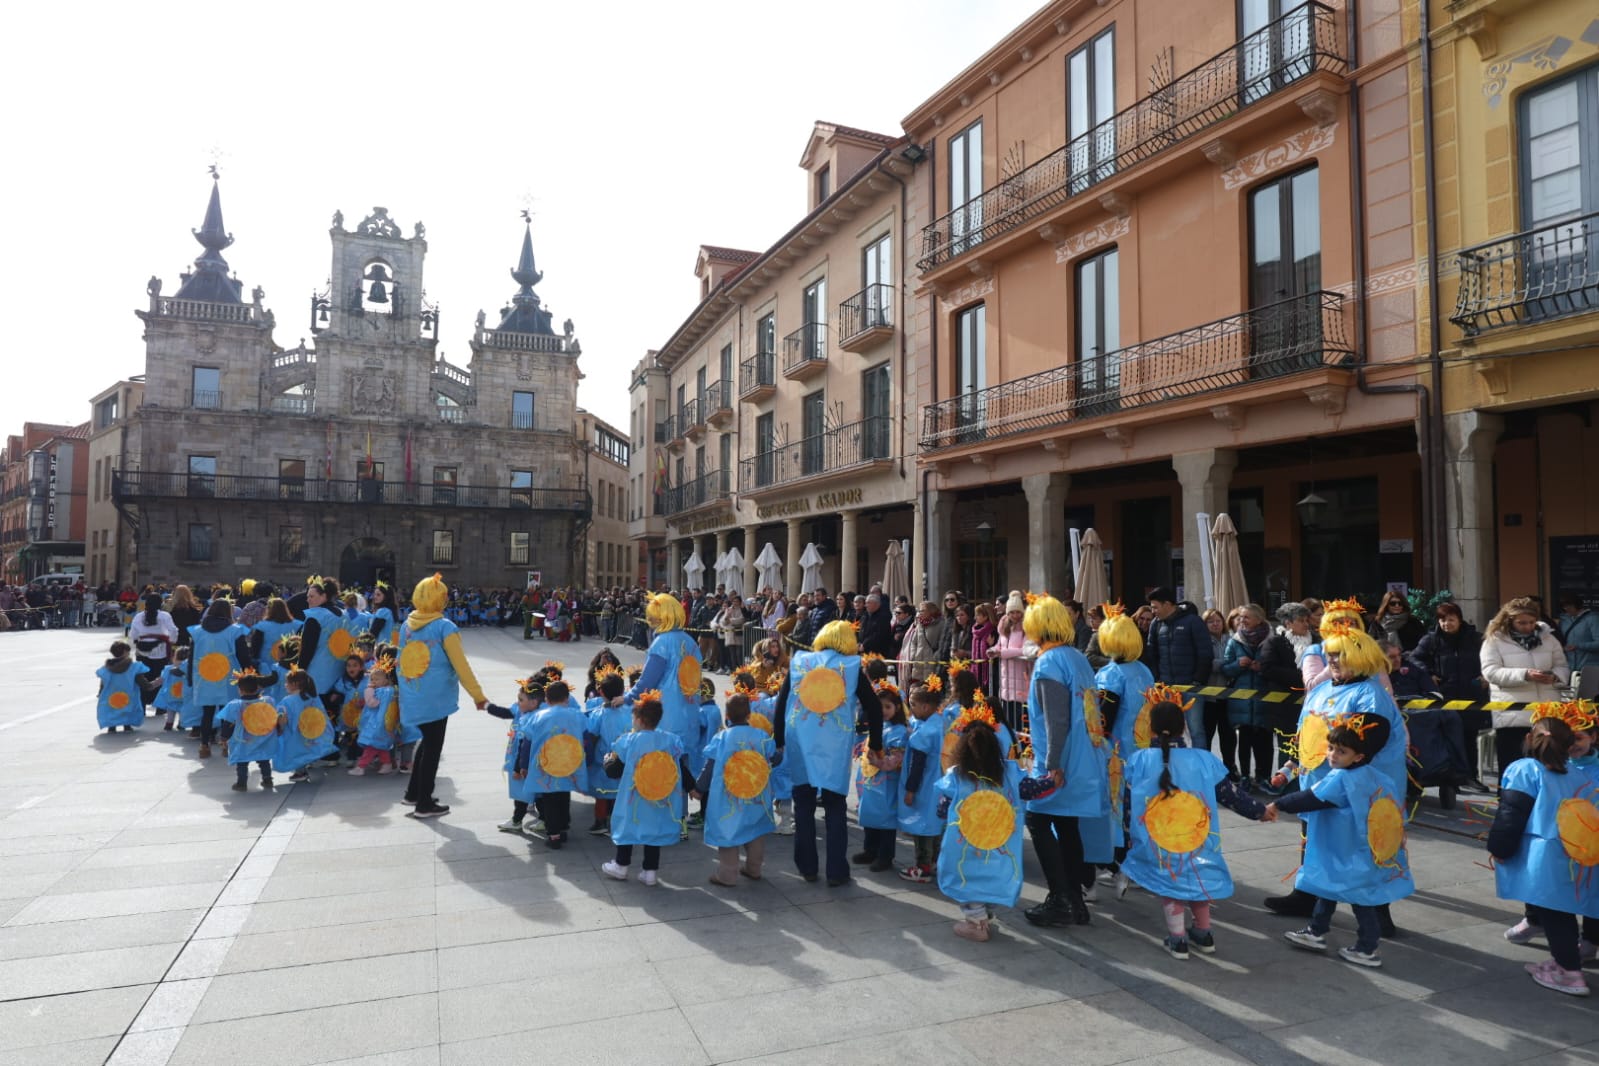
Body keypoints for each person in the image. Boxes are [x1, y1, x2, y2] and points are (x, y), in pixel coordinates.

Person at [1266, 622, 1407, 923]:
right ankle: (1305, 896)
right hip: (1319, 788)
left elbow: (1366, 744)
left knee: (1364, 851)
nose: (1331, 661)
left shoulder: (1371, 695)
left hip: (1356, 793)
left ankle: (1379, 916)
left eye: (1338, 655)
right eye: (1329, 655)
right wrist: (1290, 767)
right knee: (1316, 843)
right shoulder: (1323, 689)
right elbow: (1306, 735)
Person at [1121, 700, 1273, 958]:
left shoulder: (1138, 761)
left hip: (1158, 840)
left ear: (1151, 729)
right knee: (1198, 880)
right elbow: (1231, 795)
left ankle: (1177, 939)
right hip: (1198, 839)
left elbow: (1127, 806)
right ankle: (1203, 933)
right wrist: (1259, 811)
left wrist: (1128, 838)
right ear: (1184, 729)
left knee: (1170, 883)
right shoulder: (1204, 760)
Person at [1269, 712, 1414, 968]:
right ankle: (1316, 931)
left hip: (1345, 850)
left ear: (1358, 756)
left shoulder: (1341, 778)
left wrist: (1277, 804)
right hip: (1361, 849)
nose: (1333, 755)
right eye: (1331, 748)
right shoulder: (1377, 776)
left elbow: (1311, 798)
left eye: (1341, 751)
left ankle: (1367, 947)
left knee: (1360, 900)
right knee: (1328, 888)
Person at [1488, 706, 1597, 997]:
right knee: (1561, 908)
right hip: (1573, 854)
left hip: (1543, 856)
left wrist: (1499, 847)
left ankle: (1568, 972)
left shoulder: (1524, 770)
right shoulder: (1579, 775)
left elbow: (1511, 813)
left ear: (1528, 738)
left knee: (1555, 913)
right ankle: (1569, 960)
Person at [773, 619, 883, 886]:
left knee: (804, 802)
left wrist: (778, 738)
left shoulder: (800, 661)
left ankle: (807, 866)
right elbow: (874, 707)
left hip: (800, 738)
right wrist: (876, 745)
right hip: (835, 742)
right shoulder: (852, 666)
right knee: (835, 805)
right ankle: (836, 871)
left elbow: (782, 700)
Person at [1020, 595, 1106, 928]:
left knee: (1038, 820)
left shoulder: (1048, 662)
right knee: (1067, 826)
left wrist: (1053, 764)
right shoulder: (1076, 658)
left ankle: (1060, 898)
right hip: (1084, 757)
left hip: (1060, 759)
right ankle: (1074, 900)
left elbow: (1056, 720)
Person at [934, 705, 1050, 943]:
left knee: (967, 877)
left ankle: (976, 925)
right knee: (990, 874)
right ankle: (985, 915)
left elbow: (942, 810)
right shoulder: (1008, 772)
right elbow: (1031, 789)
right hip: (998, 840)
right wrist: (1051, 781)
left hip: (966, 841)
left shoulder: (956, 776)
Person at [396, 573, 488, 819]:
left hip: (414, 693)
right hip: (436, 697)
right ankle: (424, 803)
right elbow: (461, 665)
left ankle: (413, 793)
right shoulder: (444, 627)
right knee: (433, 747)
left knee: (426, 742)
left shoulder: (407, 625)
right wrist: (478, 695)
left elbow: (400, 662)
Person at [601, 692, 696, 885]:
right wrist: (692, 787)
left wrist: (607, 762)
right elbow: (680, 767)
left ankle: (621, 865)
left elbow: (614, 770)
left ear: (639, 719)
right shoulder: (670, 740)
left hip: (634, 796)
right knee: (654, 830)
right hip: (660, 795)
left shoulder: (629, 741)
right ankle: (650, 871)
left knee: (628, 826)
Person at [1481, 596, 1570, 779]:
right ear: (1509, 620)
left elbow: (1562, 667)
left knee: (1547, 767)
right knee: (1513, 769)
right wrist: (1525, 675)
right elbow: (1490, 672)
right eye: (1521, 623)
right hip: (1512, 714)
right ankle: (1509, 803)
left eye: (1531, 622)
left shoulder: (1549, 639)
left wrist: (1554, 676)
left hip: (1546, 712)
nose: (1527, 627)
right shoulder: (1494, 640)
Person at [1409, 602, 1489, 790]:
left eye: (1451, 619)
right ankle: (1449, 778)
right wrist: (1428, 673)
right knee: (1447, 737)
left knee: (1469, 736)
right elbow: (1414, 658)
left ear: (1460, 620)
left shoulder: (1475, 639)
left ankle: (1470, 776)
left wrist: (1485, 674)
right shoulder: (1431, 640)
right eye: (1443, 620)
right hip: (1444, 696)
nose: (1447, 624)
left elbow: (1490, 658)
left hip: (1471, 695)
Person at [699, 692, 777, 886]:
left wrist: (699, 787)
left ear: (727, 716)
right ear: (749, 715)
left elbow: (709, 765)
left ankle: (727, 874)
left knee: (727, 832)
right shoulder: (761, 736)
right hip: (755, 793)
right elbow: (775, 757)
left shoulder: (721, 738)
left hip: (728, 796)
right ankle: (754, 868)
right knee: (755, 830)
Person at [623, 593, 705, 761]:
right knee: (684, 768)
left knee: (664, 770)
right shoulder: (691, 642)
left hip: (666, 716)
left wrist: (627, 698)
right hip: (690, 714)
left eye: (653, 618)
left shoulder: (662, 643)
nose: (650, 622)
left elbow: (647, 681)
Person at [511, 678, 588, 848]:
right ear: (567, 699)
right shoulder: (576, 715)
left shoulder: (537, 717)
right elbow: (586, 734)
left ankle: (553, 835)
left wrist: (523, 765)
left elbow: (527, 742)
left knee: (550, 798)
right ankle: (563, 828)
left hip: (546, 764)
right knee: (563, 795)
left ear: (546, 699)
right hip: (568, 762)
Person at [188, 597, 255, 759]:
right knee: (229, 712)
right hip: (229, 676)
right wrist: (251, 675)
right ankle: (227, 745)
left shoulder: (197, 632)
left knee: (207, 712)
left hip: (204, 676)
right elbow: (243, 656)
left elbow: (192, 657)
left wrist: (190, 677)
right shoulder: (235, 631)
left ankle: (204, 745)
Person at [853, 681, 908, 873]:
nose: (884, 711)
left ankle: (885, 856)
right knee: (870, 814)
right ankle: (870, 849)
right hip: (873, 780)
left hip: (887, 782)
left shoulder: (899, 732)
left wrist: (876, 762)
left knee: (886, 819)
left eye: (888, 706)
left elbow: (896, 761)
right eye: (880, 707)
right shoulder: (880, 725)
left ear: (898, 707)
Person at [1220, 604, 1275, 791]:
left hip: (1266, 699)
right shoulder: (1235, 641)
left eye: (1246, 617)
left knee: (1265, 742)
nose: (1242, 621)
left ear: (1259, 619)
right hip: (1242, 700)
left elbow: (1278, 665)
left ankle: (1264, 777)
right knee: (1244, 740)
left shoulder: (1272, 639)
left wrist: (1263, 669)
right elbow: (1225, 669)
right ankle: (1245, 776)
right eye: (1241, 617)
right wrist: (1238, 664)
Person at [485, 674, 547, 834]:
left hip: (525, 763)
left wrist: (519, 767)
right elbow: (506, 712)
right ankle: (543, 819)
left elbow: (525, 744)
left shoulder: (534, 717)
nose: (517, 703)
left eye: (521, 700)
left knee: (522, 793)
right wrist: (487, 706)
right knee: (537, 792)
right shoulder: (529, 711)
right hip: (529, 762)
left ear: (533, 702)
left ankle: (517, 820)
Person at [216, 670, 281, 793]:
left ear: (240, 689)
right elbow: (273, 717)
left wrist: (224, 737)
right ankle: (267, 779)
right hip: (263, 738)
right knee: (264, 759)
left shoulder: (235, 705)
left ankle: (242, 783)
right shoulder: (268, 701)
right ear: (257, 687)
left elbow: (228, 723)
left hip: (244, 740)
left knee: (242, 761)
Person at [583, 669, 631, 836]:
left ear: (600, 692)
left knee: (601, 792)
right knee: (620, 791)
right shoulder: (631, 711)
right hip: (625, 758)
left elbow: (592, 735)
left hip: (603, 759)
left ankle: (600, 821)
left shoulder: (599, 713)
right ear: (623, 690)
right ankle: (618, 820)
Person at [274, 669, 333, 782]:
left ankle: (300, 772)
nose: (285, 685)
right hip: (310, 730)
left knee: (297, 751)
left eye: (287, 683)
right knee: (307, 747)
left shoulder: (287, 701)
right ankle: (307, 764)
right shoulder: (312, 697)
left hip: (295, 732)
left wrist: (280, 727)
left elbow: (282, 717)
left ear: (295, 684)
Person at [128, 593, 178, 710]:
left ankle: (143, 705)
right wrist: (172, 641)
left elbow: (133, 633)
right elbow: (173, 630)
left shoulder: (138, 616)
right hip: (160, 650)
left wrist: (136, 641)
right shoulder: (165, 616)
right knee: (160, 677)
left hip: (142, 650)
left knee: (143, 677)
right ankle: (160, 707)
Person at [351, 656, 399, 776]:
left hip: (377, 723)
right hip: (386, 723)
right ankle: (387, 764)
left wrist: (368, 692)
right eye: (372, 679)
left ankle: (361, 766)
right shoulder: (391, 690)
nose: (373, 682)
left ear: (385, 680)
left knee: (371, 745)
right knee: (380, 745)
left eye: (377, 679)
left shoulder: (379, 692)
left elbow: (372, 704)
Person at [96, 640, 147, 734]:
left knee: (112, 708)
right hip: (127, 695)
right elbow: (143, 684)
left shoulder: (106, 668)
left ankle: (112, 726)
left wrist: (100, 692)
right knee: (127, 706)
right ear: (125, 652)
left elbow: (103, 682)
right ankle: (127, 725)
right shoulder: (133, 667)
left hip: (112, 696)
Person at [899, 600, 947, 688]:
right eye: (919, 610)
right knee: (918, 689)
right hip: (918, 662)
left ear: (931, 611)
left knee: (931, 688)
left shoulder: (941, 623)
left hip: (932, 662)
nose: (920, 613)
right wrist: (913, 655)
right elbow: (914, 641)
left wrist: (936, 656)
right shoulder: (919, 625)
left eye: (922, 610)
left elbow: (942, 642)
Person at [153, 646, 190, 732]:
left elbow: (162, 679)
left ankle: (169, 723)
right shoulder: (188, 668)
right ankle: (181, 723)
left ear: (175, 657)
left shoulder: (168, 669)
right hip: (184, 695)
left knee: (171, 710)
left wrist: (153, 684)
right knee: (182, 710)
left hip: (170, 695)